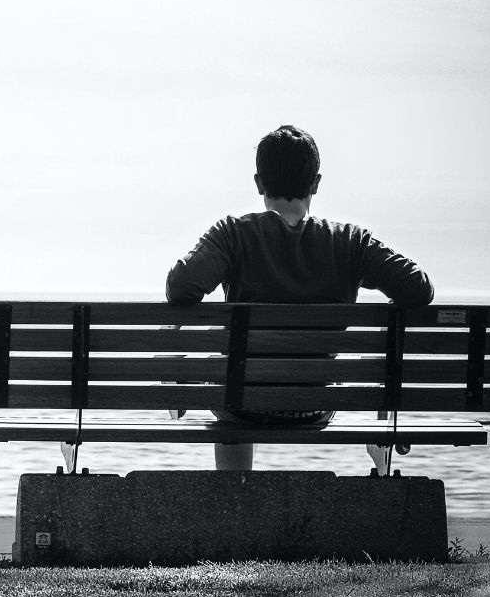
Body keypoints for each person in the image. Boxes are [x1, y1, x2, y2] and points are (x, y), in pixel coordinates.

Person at [165, 125, 433, 472]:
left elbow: (180, 287)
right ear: (316, 184)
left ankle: (234, 492)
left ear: (259, 182)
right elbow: (418, 289)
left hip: (241, 404)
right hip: (316, 404)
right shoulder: (351, 242)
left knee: (229, 383)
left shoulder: (232, 234)